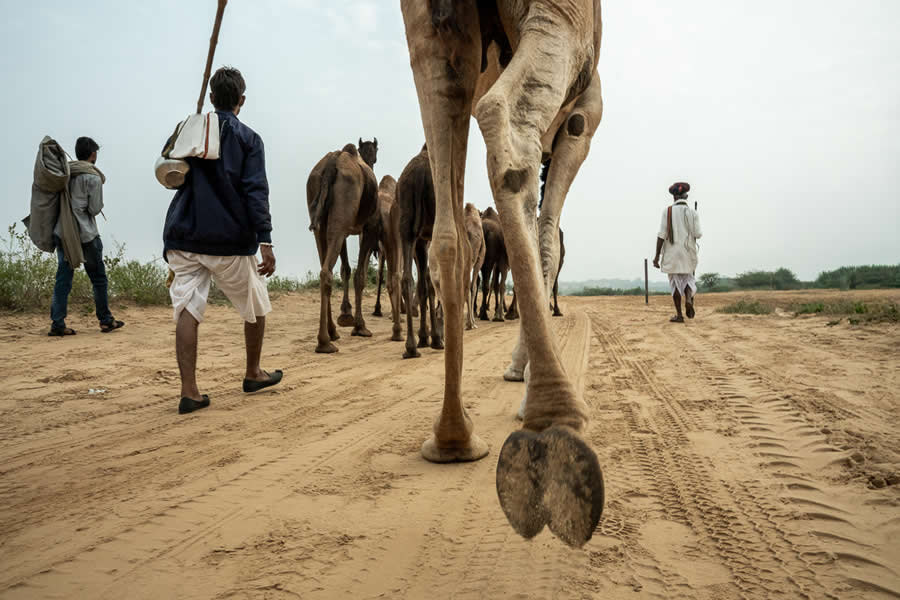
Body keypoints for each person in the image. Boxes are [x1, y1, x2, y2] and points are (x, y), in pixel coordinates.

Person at [163, 66, 283, 415]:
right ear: (241, 101)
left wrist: (187, 130)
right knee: (255, 304)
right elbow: (255, 191)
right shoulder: (249, 139)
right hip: (229, 239)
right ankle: (253, 372)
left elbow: (167, 169)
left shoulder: (190, 130)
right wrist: (266, 240)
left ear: (212, 98)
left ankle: (190, 391)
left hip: (184, 235)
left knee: (187, 308)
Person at [48, 137, 125, 336]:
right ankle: (106, 321)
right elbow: (95, 208)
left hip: (63, 231)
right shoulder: (92, 177)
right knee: (98, 278)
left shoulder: (65, 173)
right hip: (86, 234)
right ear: (93, 154)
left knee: (63, 279)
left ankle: (57, 324)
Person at [653, 181, 702, 323]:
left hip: (671, 253)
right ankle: (688, 299)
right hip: (688, 252)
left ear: (674, 197)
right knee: (688, 279)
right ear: (686, 196)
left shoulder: (667, 212)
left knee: (674, 283)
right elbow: (698, 234)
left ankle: (679, 315)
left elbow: (661, 235)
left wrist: (656, 256)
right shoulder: (693, 212)